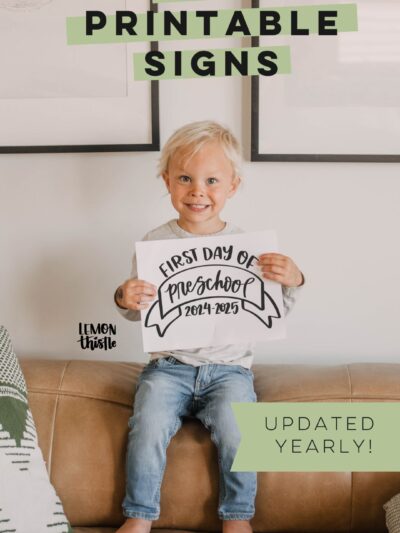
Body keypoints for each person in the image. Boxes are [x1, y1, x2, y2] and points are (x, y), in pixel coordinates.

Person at [114, 121, 304, 533]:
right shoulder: (153, 242)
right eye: (185, 178)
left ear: (232, 186)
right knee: (146, 426)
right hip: (169, 367)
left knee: (241, 434)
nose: (198, 190)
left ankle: (238, 518)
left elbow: (271, 311)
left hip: (230, 371)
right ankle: (139, 515)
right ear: (167, 181)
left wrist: (295, 279)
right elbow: (141, 311)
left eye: (212, 180)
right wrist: (123, 297)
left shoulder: (249, 248)